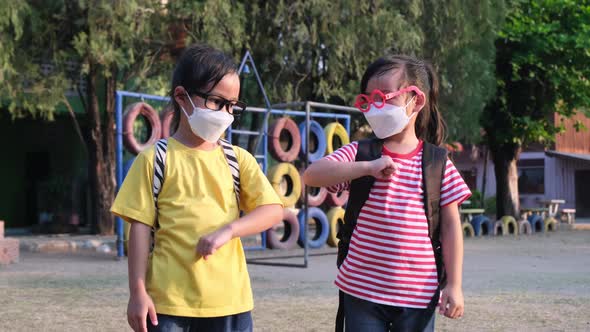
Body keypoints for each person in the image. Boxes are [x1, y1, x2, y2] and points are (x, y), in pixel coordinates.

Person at [111, 44, 283, 332]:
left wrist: (229, 230)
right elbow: (139, 228)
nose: (226, 114)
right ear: (182, 97)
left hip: (230, 303)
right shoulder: (154, 159)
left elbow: (273, 211)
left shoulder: (238, 160)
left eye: (233, 106)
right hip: (167, 305)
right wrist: (138, 293)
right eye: (217, 102)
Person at [303, 54, 471, 331]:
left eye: (384, 97)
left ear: (415, 100)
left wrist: (454, 285)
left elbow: (452, 228)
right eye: (368, 99)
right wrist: (367, 168)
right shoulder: (361, 153)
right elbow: (312, 175)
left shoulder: (437, 163)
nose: (374, 107)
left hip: (418, 294)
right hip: (361, 290)